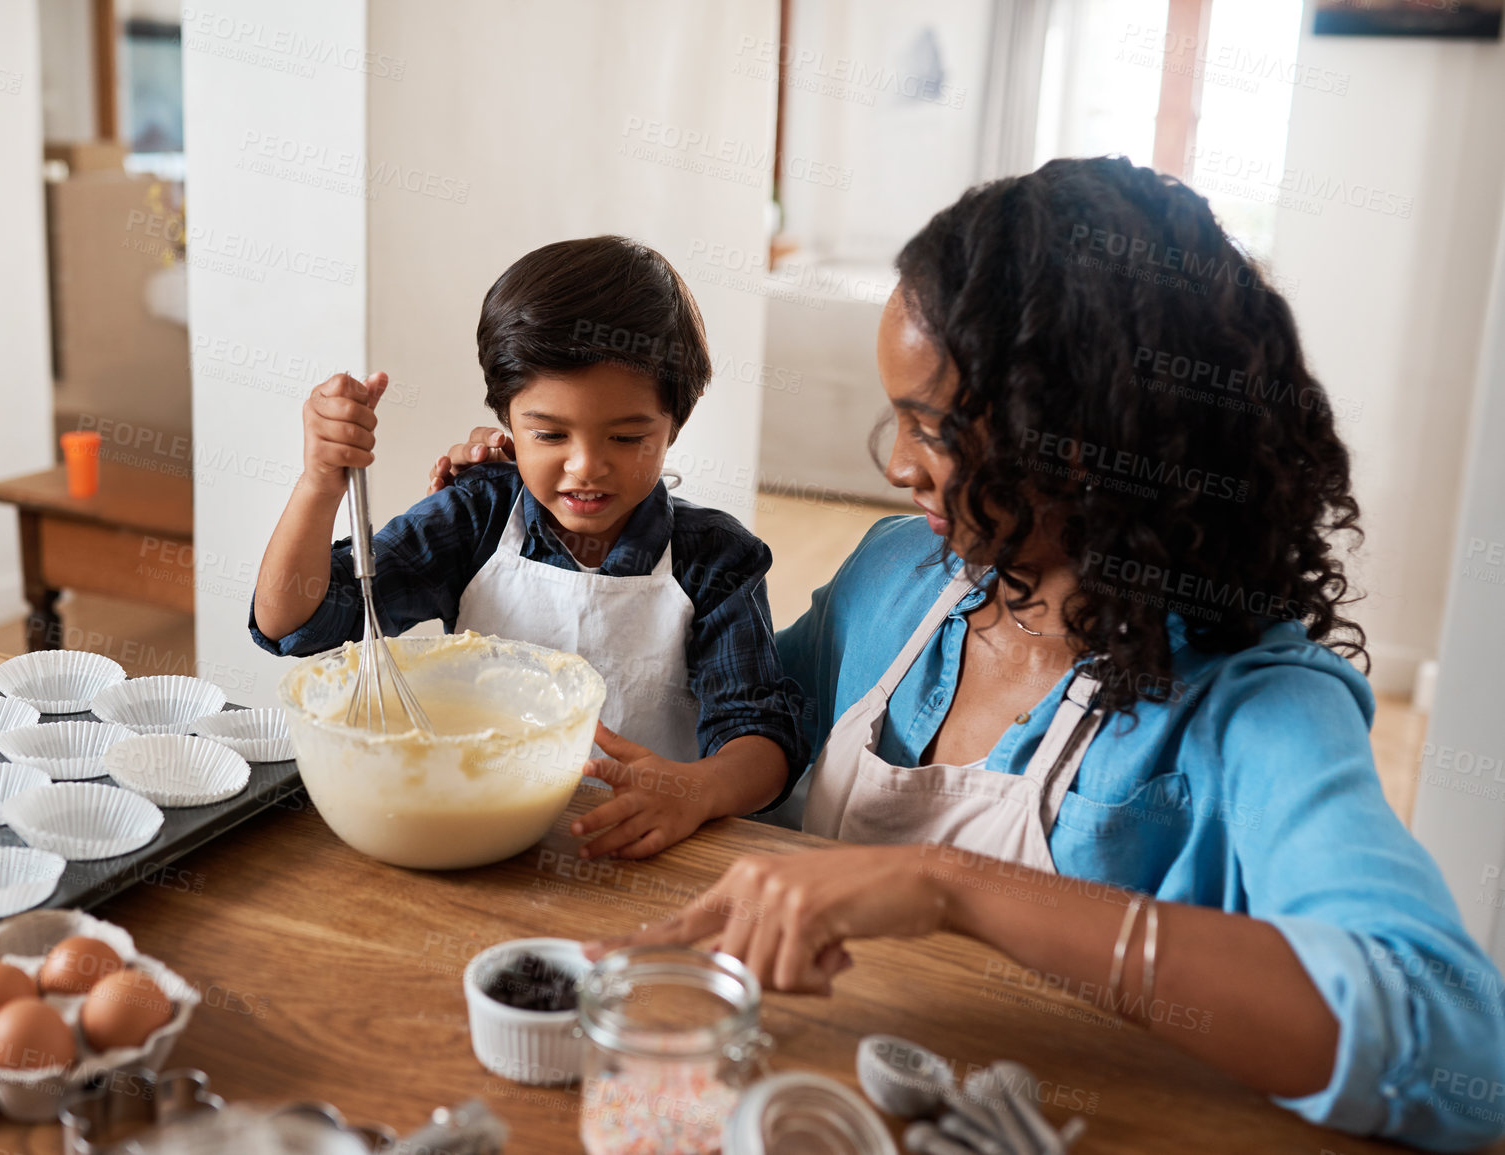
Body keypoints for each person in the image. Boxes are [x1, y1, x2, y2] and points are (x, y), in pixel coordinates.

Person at [435, 161, 1505, 1150]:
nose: (897, 465)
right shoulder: (900, 578)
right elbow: (745, 728)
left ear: (1085, 438)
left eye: (932, 428)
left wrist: (953, 884)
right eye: (893, 421)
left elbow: (1463, 1048)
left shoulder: (1254, 707)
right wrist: (524, 512)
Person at [251, 235, 807, 860]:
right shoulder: (475, 518)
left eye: (627, 438)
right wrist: (320, 481)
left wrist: (700, 789)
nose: (586, 467)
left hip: (643, 847)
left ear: (674, 425)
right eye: (549, 433)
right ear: (506, 422)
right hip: (477, 833)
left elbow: (761, 739)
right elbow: (293, 623)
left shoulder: (715, 558)